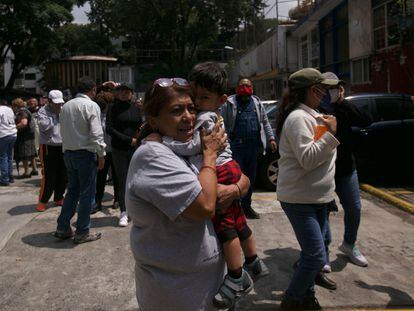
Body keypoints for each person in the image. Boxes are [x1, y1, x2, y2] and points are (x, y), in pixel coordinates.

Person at [126, 78, 250, 310]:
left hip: (213, 284)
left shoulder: (182, 145)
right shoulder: (153, 155)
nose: (189, 116)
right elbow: (204, 207)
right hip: (180, 293)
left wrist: (234, 189)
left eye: (191, 108)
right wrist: (211, 156)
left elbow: (242, 179)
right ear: (153, 120)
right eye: (176, 110)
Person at [160, 62, 268, 308]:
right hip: (230, 167)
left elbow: (195, 146)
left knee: (226, 227)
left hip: (219, 170)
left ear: (221, 99)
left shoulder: (205, 118)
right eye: (194, 95)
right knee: (239, 220)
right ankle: (254, 262)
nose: (197, 102)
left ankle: (236, 276)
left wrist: (166, 142)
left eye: (204, 97)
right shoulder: (213, 114)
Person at [276, 68, 340, 310]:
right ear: (312, 90)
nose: (325, 92)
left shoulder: (312, 115)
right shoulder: (298, 119)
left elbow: (319, 154)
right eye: (321, 88)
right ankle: (292, 300)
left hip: (316, 197)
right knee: (315, 255)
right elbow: (309, 158)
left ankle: (306, 295)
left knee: (313, 252)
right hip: (300, 199)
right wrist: (331, 133)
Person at [320, 72, 373, 268]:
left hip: (345, 168)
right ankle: (322, 251)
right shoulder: (316, 109)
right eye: (328, 88)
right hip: (323, 169)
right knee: (322, 210)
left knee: (354, 208)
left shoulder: (344, 108)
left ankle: (349, 244)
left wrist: (343, 102)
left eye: (336, 88)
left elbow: (366, 120)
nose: (331, 92)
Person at [55, 77, 106, 244]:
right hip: (85, 154)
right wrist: (101, 155)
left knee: (73, 191)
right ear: (92, 90)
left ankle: (62, 227)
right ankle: (82, 231)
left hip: (69, 153)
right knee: (86, 194)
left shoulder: (66, 106)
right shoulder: (91, 105)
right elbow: (97, 134)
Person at [220, 78, 277, 219]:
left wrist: (271, 138)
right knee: (236, 178)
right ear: (237, 88)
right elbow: (223, 124)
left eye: (247, 85)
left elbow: (265, 122)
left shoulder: (256, 103)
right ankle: (235, 208)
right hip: (236, 147)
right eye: (241, 85)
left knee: (250, 179)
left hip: (253, 147)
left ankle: (247, 207)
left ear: (252, 87)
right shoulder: (229, 103)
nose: (244, 88)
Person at [106, 84, 143, 227]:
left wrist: (139, 137)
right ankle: (123, 211)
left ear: (131, 93)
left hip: (135, 148)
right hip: (119, 148)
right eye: (121, 91)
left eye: (127, 91)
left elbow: (139, 125)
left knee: (135, 180)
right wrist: (129, 140)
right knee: (122, 180)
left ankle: (135, 209)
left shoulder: (135, 108)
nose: (123, 93)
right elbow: (109, 129)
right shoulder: (113, 108)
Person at [36, 90, 67, 212]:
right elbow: (44, 127)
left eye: (60, 103)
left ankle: (59, 197)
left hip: (62, 145)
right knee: (49, 175)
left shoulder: (63, 109)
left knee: (63, 174)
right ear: (49, 101)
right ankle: (43, 201)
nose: (58, 106)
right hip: (48, 146)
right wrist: (55, 115)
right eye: (56, 103)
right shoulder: (43, 111)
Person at [91, 89, 120, 214]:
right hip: (101, 150)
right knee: (100, 177)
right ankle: (98, 201)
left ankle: (117, 199)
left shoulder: (114, 115)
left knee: (116, 176)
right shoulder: (95, 114)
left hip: (114, 149)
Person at [12, 98, 38, 178]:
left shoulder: (22, 112)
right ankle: (34, 169)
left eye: (13, 106)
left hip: (24, 136)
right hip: (29, 135)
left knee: (25, 154)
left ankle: (26, 172)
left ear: (16, 105)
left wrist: (14, 128)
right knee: (31, 154)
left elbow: (24, 123)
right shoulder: (26, 110)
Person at [0, 99, 17, 186]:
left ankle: (4, 179)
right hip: (13, 133)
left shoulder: (0, 110)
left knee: (3, 157)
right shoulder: (9, 109)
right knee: (9, 156)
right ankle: (10, 177)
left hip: (3, 134)